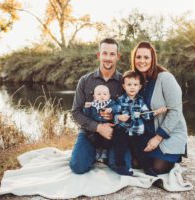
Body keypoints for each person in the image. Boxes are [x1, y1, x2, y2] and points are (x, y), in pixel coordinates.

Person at [69, 38, 131, 174]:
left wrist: (114, 116)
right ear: (99, 55)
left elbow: (130, 109)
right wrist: (98, 127)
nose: (108, 58)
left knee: (124, 166)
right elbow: (75, 112)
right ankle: (92, 153)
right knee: (77, 167)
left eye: (112, 54)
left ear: (117, 57)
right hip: (89, 131)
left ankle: (107, 156)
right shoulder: (85, 81)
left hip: (115, 134)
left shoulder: (124, 82)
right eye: (105, 53)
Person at [131, 41, 188, 175]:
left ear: (153, 59)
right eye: (138, 57)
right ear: (134, 59)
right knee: (134, 163)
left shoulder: (165, 78)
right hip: (146, 135)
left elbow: (175, 111)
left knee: (157, 168)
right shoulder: (136, 82)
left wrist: (158, 138)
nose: (142, 61)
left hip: (168, 135)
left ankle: (170, 155)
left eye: (146, 57)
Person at [112, 70, 167, 176]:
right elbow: (115, 115)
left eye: (135, 85)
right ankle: (120, 166)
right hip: (123, 130)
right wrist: (119, 117)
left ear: (140, 87)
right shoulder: (120, 100)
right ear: (124, 86)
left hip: (137, 131)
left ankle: (147, 168)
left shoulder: (140, 101)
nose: (132, 87)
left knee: (141, 150)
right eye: (129, 84)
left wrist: (157, 112)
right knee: (120, 148)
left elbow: (146, 115)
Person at [82, 85, 115, 150]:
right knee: (93, 138)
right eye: (99, 94)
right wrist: (87, 108)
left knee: (108, 138)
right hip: (96, 126)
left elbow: (116, 108)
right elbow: (87, 116)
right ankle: (98, 149)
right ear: (94, 97)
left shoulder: (111, 103)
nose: (102, 96)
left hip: (108, 126)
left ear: (109, 96)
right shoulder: (92, 105)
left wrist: (111, 109)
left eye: (105, 94)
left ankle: (104, 151)